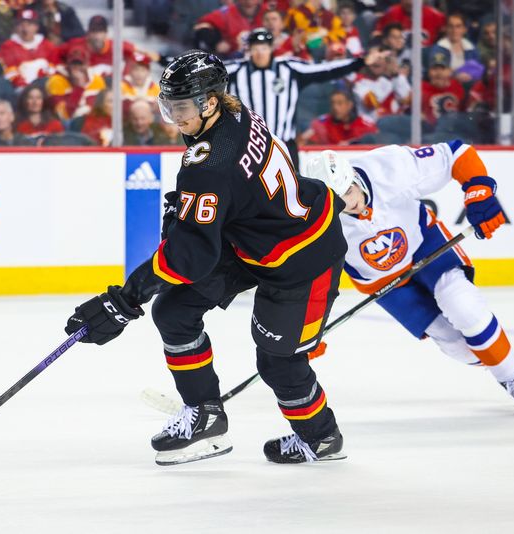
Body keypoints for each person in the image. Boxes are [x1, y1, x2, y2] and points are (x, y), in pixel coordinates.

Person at [64, 50, 349, 466]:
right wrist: (191, 207)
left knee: (278, 362)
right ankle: (205, 416)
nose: (174, 116)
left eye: (180, 107)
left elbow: (186, 258)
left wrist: (124, 300)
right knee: (175, 311)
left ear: (210, 102)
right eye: (169, 105)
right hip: (255, 240)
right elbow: (233, 188)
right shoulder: (236, 115)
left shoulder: (208, 164)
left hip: (304, 256)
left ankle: (321, 438)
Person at [305, 146, 514, 412]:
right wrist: (305, 331)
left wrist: (479, 190)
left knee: (464, 307)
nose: (349, 204)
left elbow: (456, 153)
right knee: (455, 345)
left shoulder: (388, 167)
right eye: (339, 201)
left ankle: (511, 378)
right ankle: (498, 361)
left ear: (354, 177)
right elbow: (313, 280)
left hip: (426, 247)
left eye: (349, 192)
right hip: (384, 284)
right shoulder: (314, 220)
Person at [226, 28, 385, 170]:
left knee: (290, 194)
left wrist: (360, 62)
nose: (260, 52)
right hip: (247, 144)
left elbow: (326, 69)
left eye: (264, 48)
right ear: (249, 50)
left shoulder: (289, 68)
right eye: (255, 48)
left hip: (284, 144)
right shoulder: (235, 71)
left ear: (271, 48)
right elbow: (207, 71)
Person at [0, 8, 57, 89]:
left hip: (45, 86)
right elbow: (9, 72)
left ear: (36, 27)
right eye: (21, 24)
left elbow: (54, 66)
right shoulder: (8, 46)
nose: (25, 28)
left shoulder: (47, 45)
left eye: (29, 24)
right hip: (20, 89)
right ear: (16, 27)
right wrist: (24, 86)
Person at [299, 88, 377, 145]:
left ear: (350, 105)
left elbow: (376, 142)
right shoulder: (322, 123)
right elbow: (303, 141)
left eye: (340, 103)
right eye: (333, 103)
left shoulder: (364, 123)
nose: (335, 107)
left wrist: (351, 143)